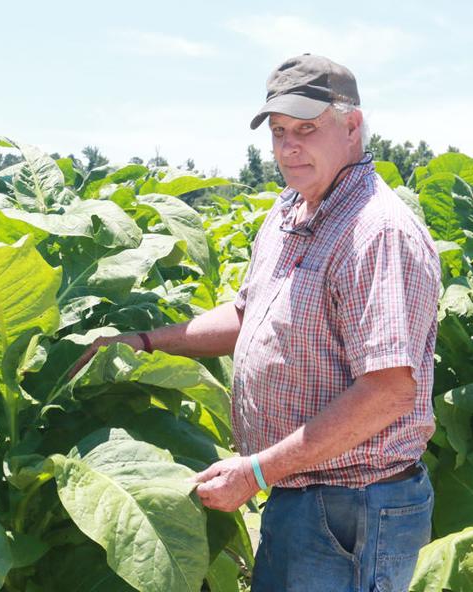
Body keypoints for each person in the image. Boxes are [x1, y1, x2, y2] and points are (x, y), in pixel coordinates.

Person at [70, 54, 441, 591]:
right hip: (303, 495)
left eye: (307, 129)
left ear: (353, 125)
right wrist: (143, 343)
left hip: (354, 507)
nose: (289, 147)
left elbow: (388, 392)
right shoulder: (292, 210)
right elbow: (249, 315)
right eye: (279, 132)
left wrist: (258, 471)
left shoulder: (376, 231)